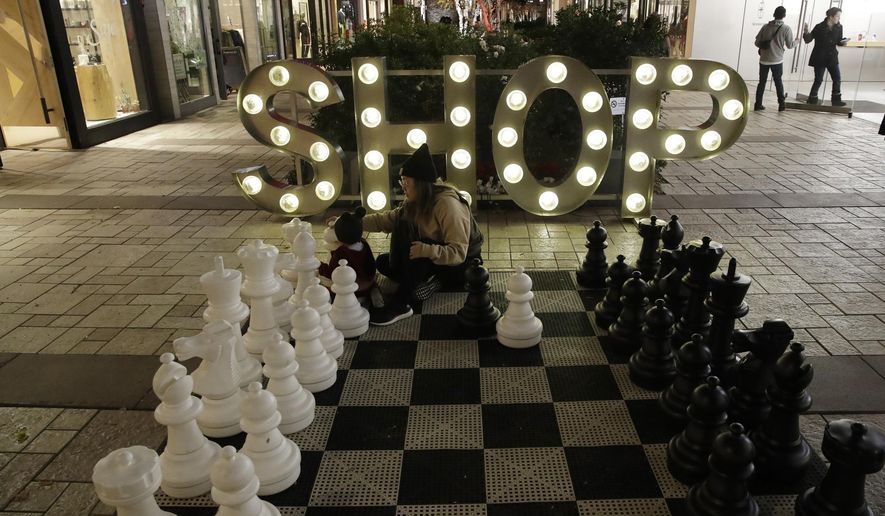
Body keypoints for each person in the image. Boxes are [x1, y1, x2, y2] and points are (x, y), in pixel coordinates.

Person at [358, 143, 483, 325]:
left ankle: (402, 303)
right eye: (402, 182)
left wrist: (427, 250)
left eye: (406, 182)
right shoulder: (415, 201)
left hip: (461, 264)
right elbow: (387, 220)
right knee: (384, 262)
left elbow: (459, 253)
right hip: (433, 256)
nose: (403, 187)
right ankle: (422, 281)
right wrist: (353, 223)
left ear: (420, 183)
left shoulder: (448, 205)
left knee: (418, 251)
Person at [318, 206, 378, 301]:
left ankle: (360, 299)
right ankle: (373, 291)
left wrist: (319, 265)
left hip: (353, 290)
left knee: (324, 286)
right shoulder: (364, 243)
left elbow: (332, 273)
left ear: (339, 236)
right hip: (368, 283)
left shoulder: (340, 252)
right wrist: (339, 222)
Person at [754, 6, 799, 112]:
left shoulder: (765, 27)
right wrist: (797, 41)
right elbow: (790, 45)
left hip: (764, 59)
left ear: (774, 14)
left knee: (762, 83)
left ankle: (758, 104)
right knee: (778, 82)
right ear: (784, 15)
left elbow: (756, 42)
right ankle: (781, 104)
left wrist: (764, 47)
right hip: (777, 60)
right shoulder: (786, 28)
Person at [803, 7, 849, 106]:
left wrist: (843, 43)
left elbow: (838, 41)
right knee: (818, 79)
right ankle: (812, 99)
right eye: (837, 16)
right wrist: (806, 32)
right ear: (831, 17)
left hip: (832, 57)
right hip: (820, 56)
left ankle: (836, 100)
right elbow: (808, 40)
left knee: (837, 78)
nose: (839, 18)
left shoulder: (839, 27)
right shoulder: (819, 27)